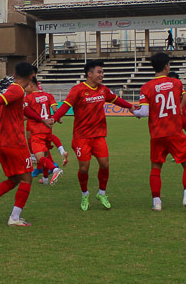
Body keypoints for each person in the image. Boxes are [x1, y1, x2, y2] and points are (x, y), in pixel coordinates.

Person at [52, 59, 135, 211]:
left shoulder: (103, 90)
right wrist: (55, 118)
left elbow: (116, 100)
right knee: (84, 168)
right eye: (99, 72)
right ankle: (85, 194)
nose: (102, 75)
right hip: (81, 137)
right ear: (89, 74)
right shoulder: (78, 90)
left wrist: (130, 107)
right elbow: (65, 106)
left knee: (105, 164)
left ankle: (101, 193)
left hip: (98, 136)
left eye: (102, 72)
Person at [0, 62, 44, 227]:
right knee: (27, 179)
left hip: (1, 143)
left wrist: (41, 120)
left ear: (14, 74)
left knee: (14, 179)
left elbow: (20, 109)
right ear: (32, 76)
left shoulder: (13, 90)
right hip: (15, 143)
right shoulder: (17, 89)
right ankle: (14, 217)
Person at [133, 53, 186, 212]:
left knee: (156, 168)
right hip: (175, 132)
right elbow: (184, 96)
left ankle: (157, 203)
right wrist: (180, 108)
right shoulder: (176, 83)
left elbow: (143, 112)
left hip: (157, 134)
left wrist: (133, 112)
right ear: (166, 67)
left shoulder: (146, 87)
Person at [23, 77, 65, 186]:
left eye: (25, 85)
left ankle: (55, 169)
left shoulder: (28, 98)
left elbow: (26, 114)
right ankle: (45, 179)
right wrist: (57, 119)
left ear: (31, 85)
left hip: (37, 131)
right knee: (46, 154)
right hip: (48, 130)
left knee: (40, 158)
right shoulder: (48, 95)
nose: (24, 88)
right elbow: (56, 111)